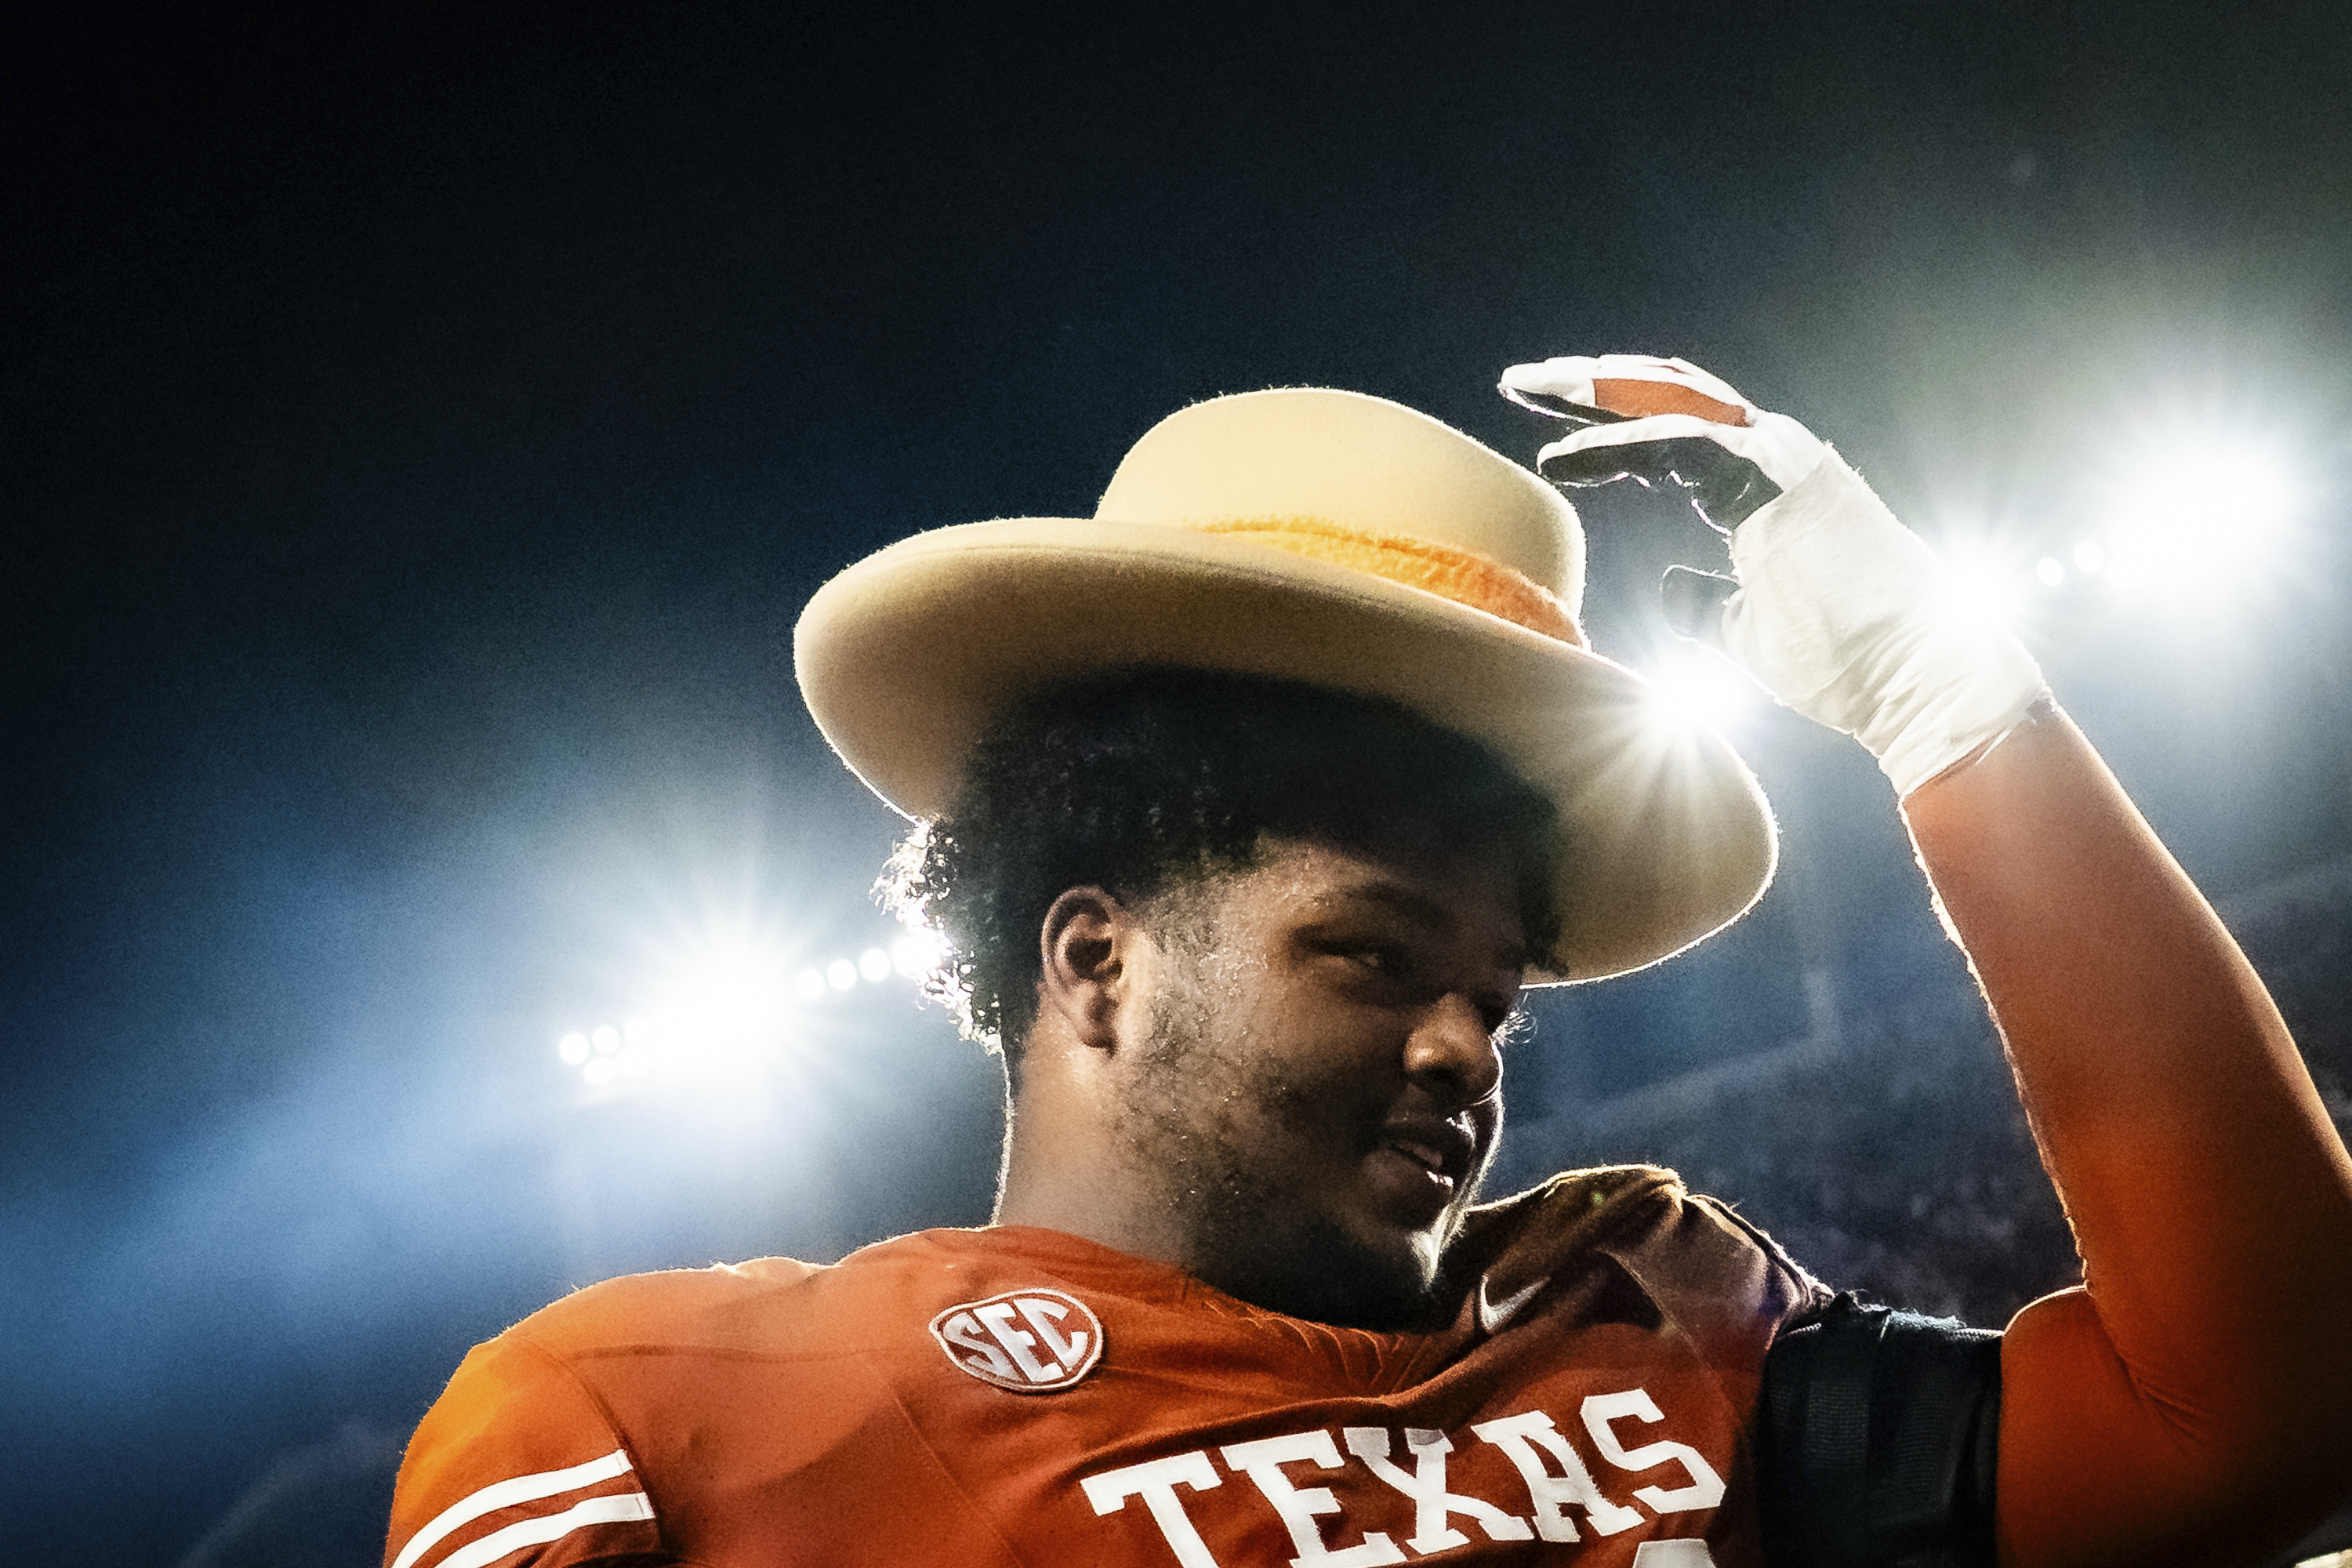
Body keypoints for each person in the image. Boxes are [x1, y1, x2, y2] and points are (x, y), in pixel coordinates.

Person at [383, 358, 2352, 1568]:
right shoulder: (662, 1423)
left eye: (1494, 991)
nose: (1461, 1050)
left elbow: (2261, 1422)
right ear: (1095, 960)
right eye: (1372, 955)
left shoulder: (1649, 1338)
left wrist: (1950, 707)